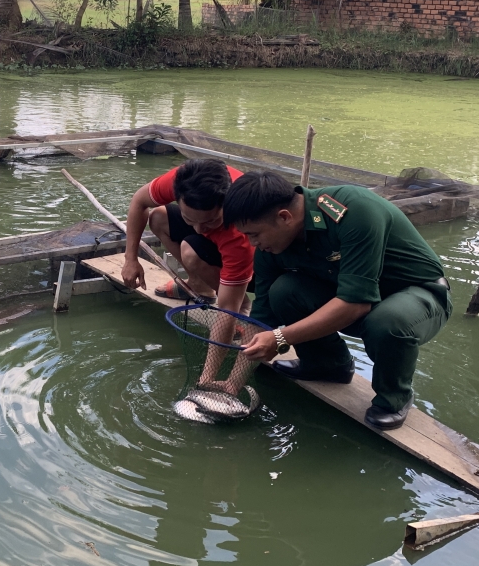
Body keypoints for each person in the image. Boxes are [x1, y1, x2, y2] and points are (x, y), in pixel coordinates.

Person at [225, 170, 452, 430]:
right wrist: (233, 384)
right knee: (284, 291)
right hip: (358, 300)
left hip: (418, 296)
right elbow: (262, 317)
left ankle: (394, 397)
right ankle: (328, 365)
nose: (252, 243)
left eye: (254, 234)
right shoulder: (271, 246)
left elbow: (355, 303)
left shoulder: (353, 210)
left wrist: (279, 338)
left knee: (388, 321)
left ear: (284, 217)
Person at [121, 158, 254, 314]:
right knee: (158, 217)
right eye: (189, 219)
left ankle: (243, 301)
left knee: (190, 252)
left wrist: (237, 309)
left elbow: (228, 308)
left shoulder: (239, 228)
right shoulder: (183, 181)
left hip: (252, 267)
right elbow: (139, 200)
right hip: (219, 241)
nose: (198, 230)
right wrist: (131, 259)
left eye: (211, 221)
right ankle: (199, 284)